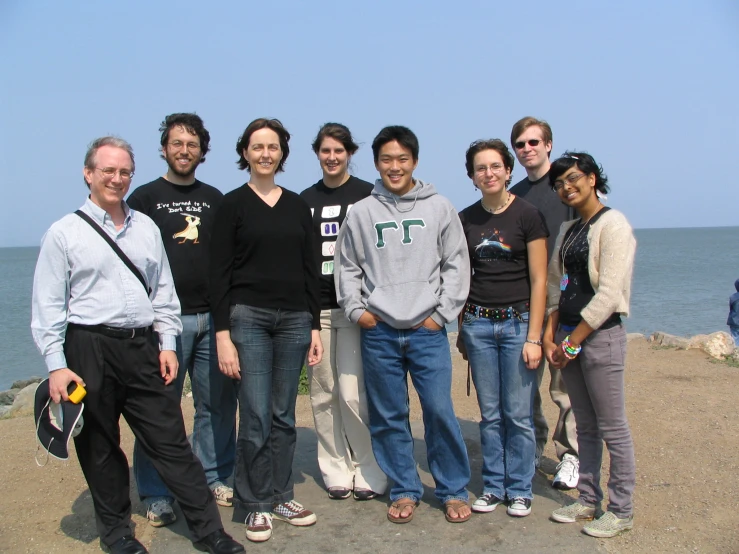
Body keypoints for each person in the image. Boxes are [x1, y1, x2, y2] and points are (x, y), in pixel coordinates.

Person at [30, 136, 243, 554]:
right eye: (107, 170)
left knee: (170, 441)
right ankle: (118, 536)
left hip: (141, 346)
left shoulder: (145, 226)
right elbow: (48, 307)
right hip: (87, 347)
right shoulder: (64, 232)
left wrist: (166, 344)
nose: (117, 178)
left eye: (124, 171)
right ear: (88, 174)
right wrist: (57, 366)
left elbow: (163, 292)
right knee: (100, 446)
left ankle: (210, 532)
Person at [335, 125, 472, 524]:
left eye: (402, 159)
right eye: (386, 160)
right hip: (379, 331)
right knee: (389, 415)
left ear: (414, 161)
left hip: (427, 330)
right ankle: (405, 488)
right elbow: (347, 267)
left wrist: (441, 314)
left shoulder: (439, 207)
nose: (394, 167)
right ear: (377, 163)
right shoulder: (361, 212)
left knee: (439, 410)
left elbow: (456, 264)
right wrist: (359, 312)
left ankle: (451, 489)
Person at [210, 118, 323, 543]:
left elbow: (311, 269)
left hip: (294, 320)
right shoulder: (232, 204)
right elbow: (218, 273)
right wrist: (222, 334)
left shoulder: (297, 206)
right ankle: (253, 504)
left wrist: (313, 324)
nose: (265, 154)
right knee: (255, 415)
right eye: (257, 146)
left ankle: (280, 494)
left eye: (272, 147)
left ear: (282, 153)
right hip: (249, 319)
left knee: (284, 415)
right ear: (245, 153)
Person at [127, 113, 238, 527]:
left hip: (212, 318)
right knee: (159, 410)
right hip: (163, 323)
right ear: (164, 148)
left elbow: (229, 259)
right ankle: (157, 492)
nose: (184, 151)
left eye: (192, 145)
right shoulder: (142, 198)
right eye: (176, 143)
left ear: (203, 152)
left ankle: (214, 476)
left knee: (218, 405)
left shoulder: (216, 199)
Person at [544, 152, 637, 538]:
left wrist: (573, 342)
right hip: (568, 335)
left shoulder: (613, 224)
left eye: (573, 178)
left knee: (613, 425)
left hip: (600, 337)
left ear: (593, 178)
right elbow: (555, 285)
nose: (567, 187)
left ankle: (621, 509)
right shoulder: (569, 230)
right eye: (560, 183)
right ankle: (587, 498)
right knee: (585, 426)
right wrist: (552, 337)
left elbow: (610, 293)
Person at [458, 139, 548, 518]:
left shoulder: (528, 215)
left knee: (519, 414)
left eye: (495, 166)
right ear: (472, 176)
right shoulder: (465, 219)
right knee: (490, 414)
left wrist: (534, 337)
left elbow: (540, 280)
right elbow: (461, 277)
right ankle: (494, 485)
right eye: (481, 168)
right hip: (478, 323)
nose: (489, 173)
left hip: (518, 324)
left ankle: (520, 488)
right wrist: (462, 327)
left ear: (508, 170)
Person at [300, 123, 387, 501]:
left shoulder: (369, 195)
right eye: (325, 151)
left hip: (356, 309)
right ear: (317, 154)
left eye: (339, 150)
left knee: (353, 394)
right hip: (317, 310)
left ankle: (367, 467)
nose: (332, 157)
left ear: (349, 152)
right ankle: (335, 467)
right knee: (323, 393)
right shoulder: (303, 199)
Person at [509, 116, 580, 490]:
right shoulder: (516, 194)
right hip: (527, 300)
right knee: (527, 383)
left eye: (534, 142)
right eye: (520, 144)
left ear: (548, 144)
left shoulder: (567, 186)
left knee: (565, 384)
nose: (527, 149)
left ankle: (571, 455)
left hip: (566, 300)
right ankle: (533, 447)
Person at [727, 279, 739, 346]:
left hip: (734, 321)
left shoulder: (733, 297)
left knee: (735, 339)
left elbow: (731, 308)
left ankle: (736, 353)